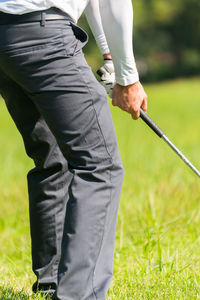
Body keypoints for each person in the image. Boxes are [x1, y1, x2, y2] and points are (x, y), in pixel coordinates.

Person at [0, 0, 147, 299]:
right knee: (100, 165)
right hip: (43, 35)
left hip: (6, 36)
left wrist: (109, 56)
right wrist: (128, 78)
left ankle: (51, 283)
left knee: (53, 158)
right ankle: (79, 294)